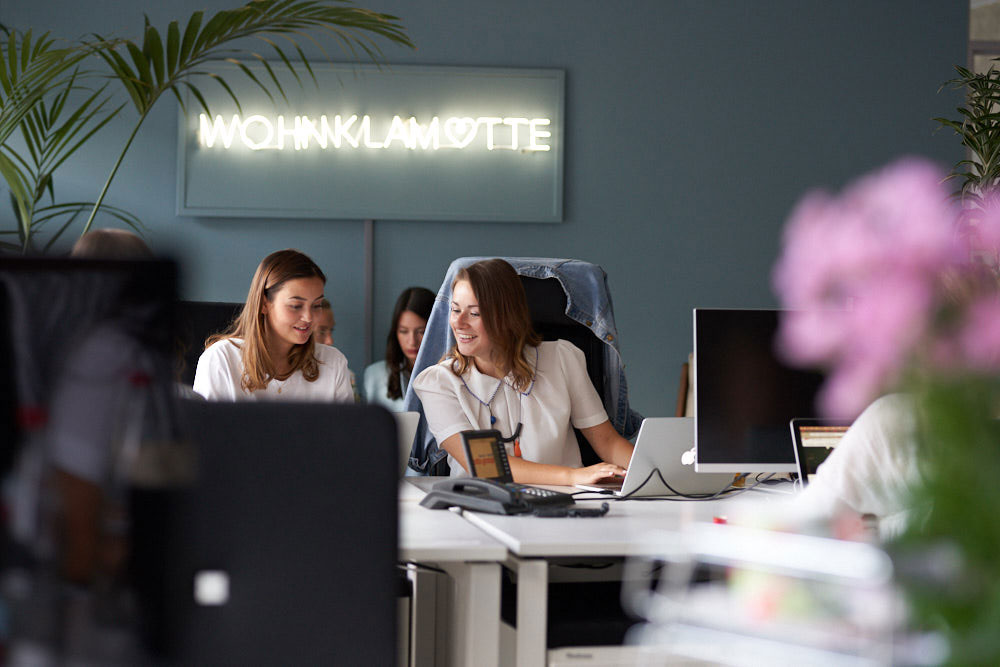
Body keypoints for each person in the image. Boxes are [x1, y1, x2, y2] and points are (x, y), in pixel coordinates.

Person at [412, 259, 634, 485]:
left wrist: (655, 474)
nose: (458, 323)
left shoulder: (562, 358)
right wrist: (575, 475)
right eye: (455, 310)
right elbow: (486, 465)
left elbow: (607, 441)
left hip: (566, 504)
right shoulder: (438, 383)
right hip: (484, 508)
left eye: (474, 314)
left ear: (507, 317)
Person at [192, 249, 354, 402]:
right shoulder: (221, 359)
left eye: (316, 305)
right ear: (264, 304)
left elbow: (347, 431)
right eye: (296, 305)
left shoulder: (333, 362)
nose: (308, 317)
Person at [364, 287, 434, 411]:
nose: (412, 341)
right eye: (403, 331)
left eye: (421, 332)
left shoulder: (454, 374)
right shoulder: (374, 376)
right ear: (395, 332)